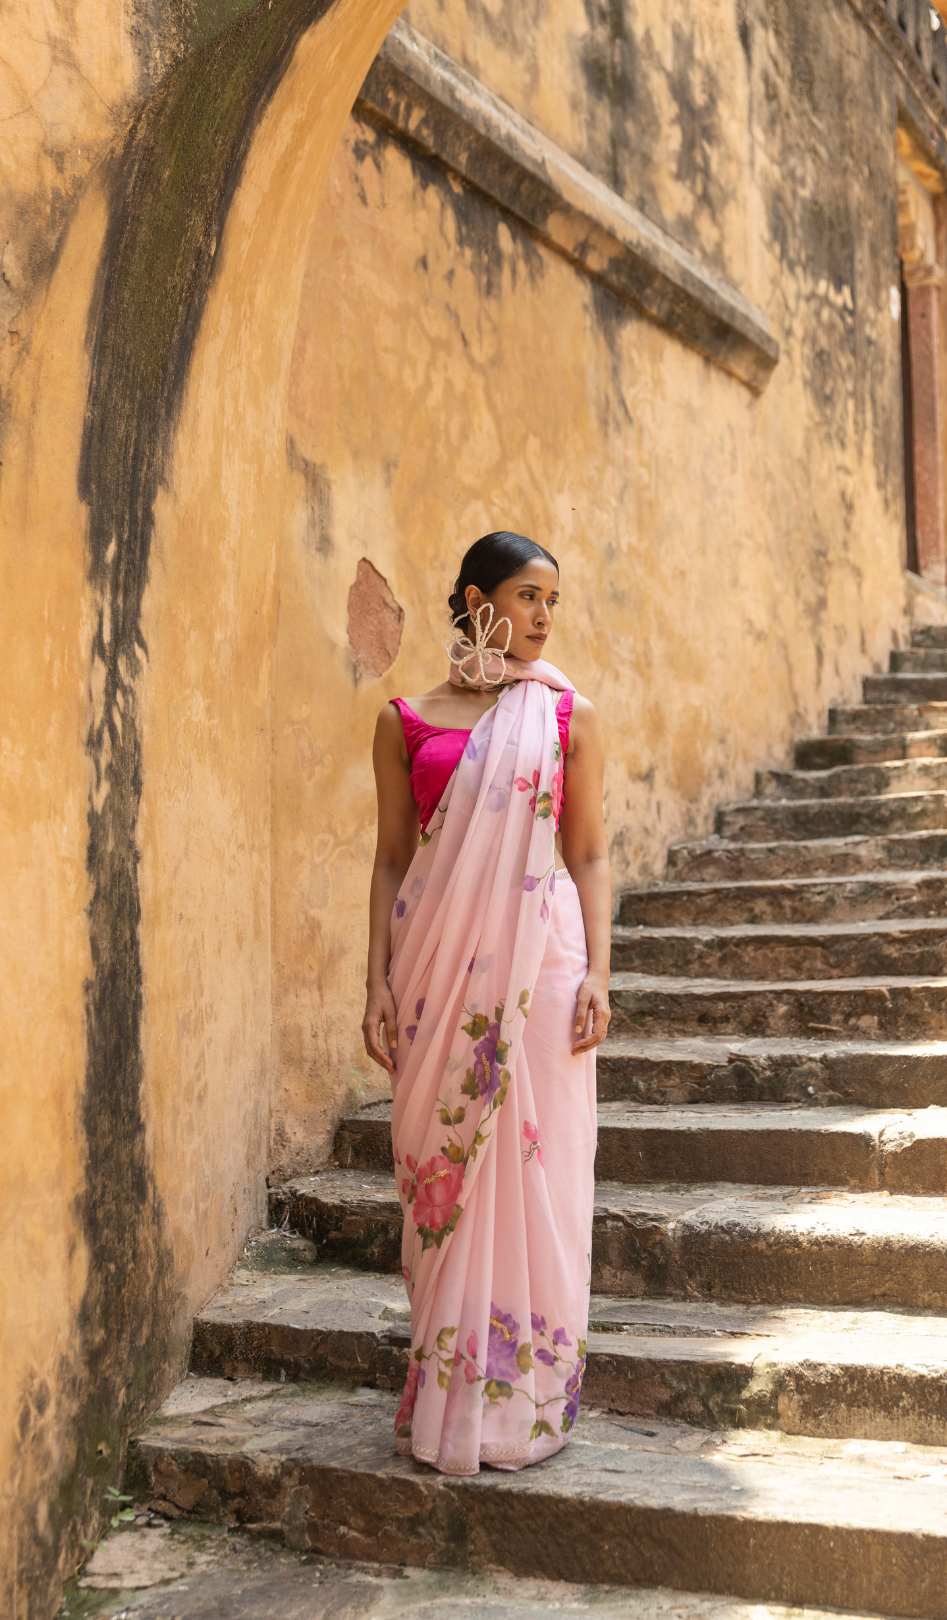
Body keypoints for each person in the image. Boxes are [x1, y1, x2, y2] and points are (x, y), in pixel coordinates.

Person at [362, 530, 610, 1477]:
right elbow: (391, 858)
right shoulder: (404, 720)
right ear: (476, 599)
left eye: (555, 600)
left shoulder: (566, 716)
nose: (545, 616)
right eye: (529, 595)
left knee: (539, 1168)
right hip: (434, 974)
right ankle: (449, 1391)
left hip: (542, 967)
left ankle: (523, 1401)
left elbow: (587, 853)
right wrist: (373, 980)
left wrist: (599, 972)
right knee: (439, 1174)